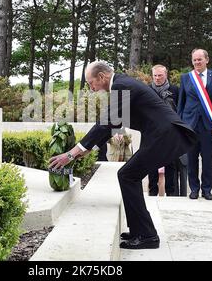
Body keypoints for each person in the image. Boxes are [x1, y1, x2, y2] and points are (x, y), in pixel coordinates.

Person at [49, 61, 197, 250]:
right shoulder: (121, 84)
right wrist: (83, 153)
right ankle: (139, 231)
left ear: (102, 77)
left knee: (127, 175)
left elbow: (104, 124)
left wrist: (70, 155)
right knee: (129, 175)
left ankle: (147, 235)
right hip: (160, 135)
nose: (90, 87)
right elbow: (109, 126)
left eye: (90, 82)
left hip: (165, 136)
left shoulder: (121, 85)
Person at [178, 49, 212, 200]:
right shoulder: (186, 77)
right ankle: (194, 189)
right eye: (194, 60)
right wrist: (179, 125)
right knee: (191, 159)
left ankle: (207, 190)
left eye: (200, 59)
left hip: (208, 125)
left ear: (207, 60)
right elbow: (181, 103)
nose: (197, 62)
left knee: (207, 159)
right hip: (190, 124)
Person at [147, 64, 179, 196]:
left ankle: (171, 193)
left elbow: (180, 109)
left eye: (160, 75)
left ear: (166, 75)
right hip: (152, 132)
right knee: (151, 163)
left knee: (170, 164)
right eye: (155, 75)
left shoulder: (175, 90)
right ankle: (152, 193)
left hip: (171, 132)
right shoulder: (147, 90)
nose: (157, 78)